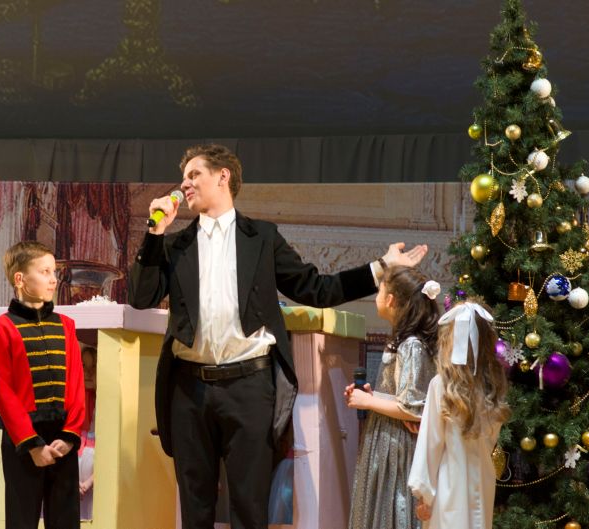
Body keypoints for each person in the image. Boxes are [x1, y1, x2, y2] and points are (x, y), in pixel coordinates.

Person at [128, 143, 428, 529]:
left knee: (249, 507)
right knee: (195, 506)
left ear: (223, 177)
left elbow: (317, 289)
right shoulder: (175, 245)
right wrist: (155, 232)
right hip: (188, 390)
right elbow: (141, 297)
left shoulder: (262, 238)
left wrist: (382, 267)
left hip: (249, 386)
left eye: (194, 174)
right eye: (183, 177)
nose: (184, 184)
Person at [0, 240, 85, 529]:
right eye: (44, 272)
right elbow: (3, 392)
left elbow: (76, 384)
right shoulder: (2, 328)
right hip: (23, 440)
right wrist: (31, 445)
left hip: (62, 439)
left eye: (54, 272)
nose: (53, 279)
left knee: (66, 521)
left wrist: (70, 436)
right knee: (21, 520)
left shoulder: (66, 325)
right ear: (20, 279)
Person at [344, 267, 440, 529]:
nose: (377, 297)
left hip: (396, 443)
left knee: (395, 505)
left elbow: (413, 408)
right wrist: (373, 396)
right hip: (385, 436)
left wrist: (368, 402)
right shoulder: (406, 341)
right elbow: (402, 394)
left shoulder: (411, 345)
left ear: (390, 300)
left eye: (379, 291)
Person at [407, 302, 510, 529]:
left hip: (449, 486)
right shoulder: (493, 386)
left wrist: (424, 494)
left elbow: (431, 444)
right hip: (482, 481)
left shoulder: (441, 386)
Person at [78, 344, 97, 519]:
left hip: (96, 484)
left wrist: (90, 481)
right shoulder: (74, 404)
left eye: (94, 366)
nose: (88, 372)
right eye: (84, 366)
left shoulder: (103, 407)